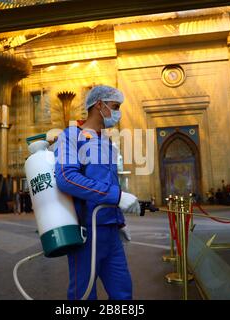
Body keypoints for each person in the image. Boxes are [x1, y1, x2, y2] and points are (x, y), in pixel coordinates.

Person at [54, 85, 140, 300]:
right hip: (86, 230)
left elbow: (108, 181)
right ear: (99, 105)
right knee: (83, 295)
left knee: (123, 293)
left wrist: (119, 221)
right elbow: (66, 178)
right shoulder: (71, 136)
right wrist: (117, 197)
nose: (118, 113)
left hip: (110, 231)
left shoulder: (106, 142)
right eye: (115, 107)